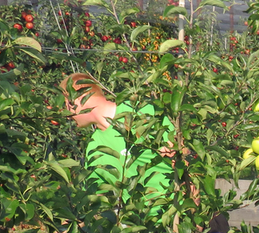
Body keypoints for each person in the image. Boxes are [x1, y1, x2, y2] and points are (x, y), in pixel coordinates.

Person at [61, 72, 177, 217]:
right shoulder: (94, 148)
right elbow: (94, 203)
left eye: (66, 104)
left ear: (79, 98)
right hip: (142, 230)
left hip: (176, 221)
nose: (66, 113)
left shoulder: (141, 113)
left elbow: (181, 158)